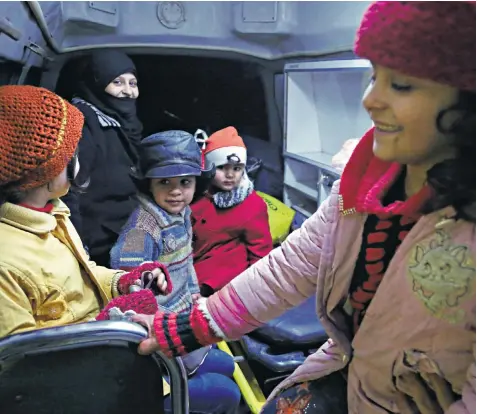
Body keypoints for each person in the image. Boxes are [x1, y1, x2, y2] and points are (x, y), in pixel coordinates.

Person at [132, 2, 476, 413]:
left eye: (399, 85)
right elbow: (289, 267)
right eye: (373, 77)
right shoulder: (364, 181)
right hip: (350, 376)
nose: (370, 100)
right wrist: (184, 329)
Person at [0, 84, 167, 338]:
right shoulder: (6, 261)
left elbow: (83, 276)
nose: (81, 160)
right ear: (45, 169)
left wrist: (122, 283)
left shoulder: (54, 213)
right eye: (73, 154)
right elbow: (21, 362)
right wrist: (110, 324)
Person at [110, 130, 241, 413]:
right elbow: (128, 276)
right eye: (164, 182)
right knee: (224, 388)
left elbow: (186, 262)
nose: (176, 191)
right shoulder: (141, 227)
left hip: (182, 312)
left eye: (185, 182)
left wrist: (195, 294)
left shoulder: (182, 214)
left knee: (226, 364)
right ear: (148, 184)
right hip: (157, 328)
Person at [62, 50, 143, 267]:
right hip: (99, 243)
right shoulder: (83, 124)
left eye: (133, 83)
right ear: (97, 84)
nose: (128, 91)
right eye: (117, 82)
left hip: (128, 229)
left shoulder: (124, 123)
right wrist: (79, 249)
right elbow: (68, 192)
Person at [192, 127, 273, 295]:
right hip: (191, 257)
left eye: (237, 168)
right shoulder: (195, 192)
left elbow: (260, 249)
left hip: (220, 269)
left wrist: (255, 287)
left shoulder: (252, 204)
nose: (230, 175)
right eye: (222, 167)